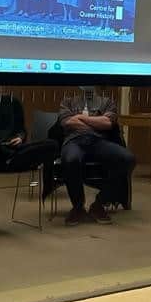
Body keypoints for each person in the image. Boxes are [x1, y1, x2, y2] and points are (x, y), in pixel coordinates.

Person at [58, 87, 136, 226]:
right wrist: (96, 123)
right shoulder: (67, 102)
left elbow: (107, 123)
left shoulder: (107, 102)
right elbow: (68, 122)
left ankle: (99, 204)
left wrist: (81, 117)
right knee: (70, 160)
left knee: (128, 159)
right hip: (74, 141)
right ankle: (78, 207)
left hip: (99, 142)